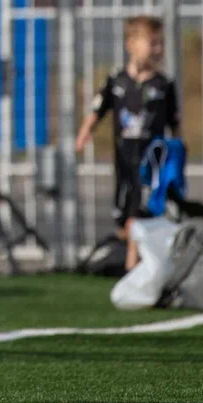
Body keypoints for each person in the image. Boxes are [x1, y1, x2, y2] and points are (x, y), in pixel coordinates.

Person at [75, 15, 179, 270]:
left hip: (151, 162)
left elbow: (175, 125)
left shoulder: (163, 85)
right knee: (124, 219)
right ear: (131, 44)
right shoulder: (117, 81)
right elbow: (97, 109)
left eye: (160, 43)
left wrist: (177, 153)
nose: (158, 50)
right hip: (123, 159)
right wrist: (85, 133)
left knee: (140, 214)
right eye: (152, 43)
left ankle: (133, 268)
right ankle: (131, 259)